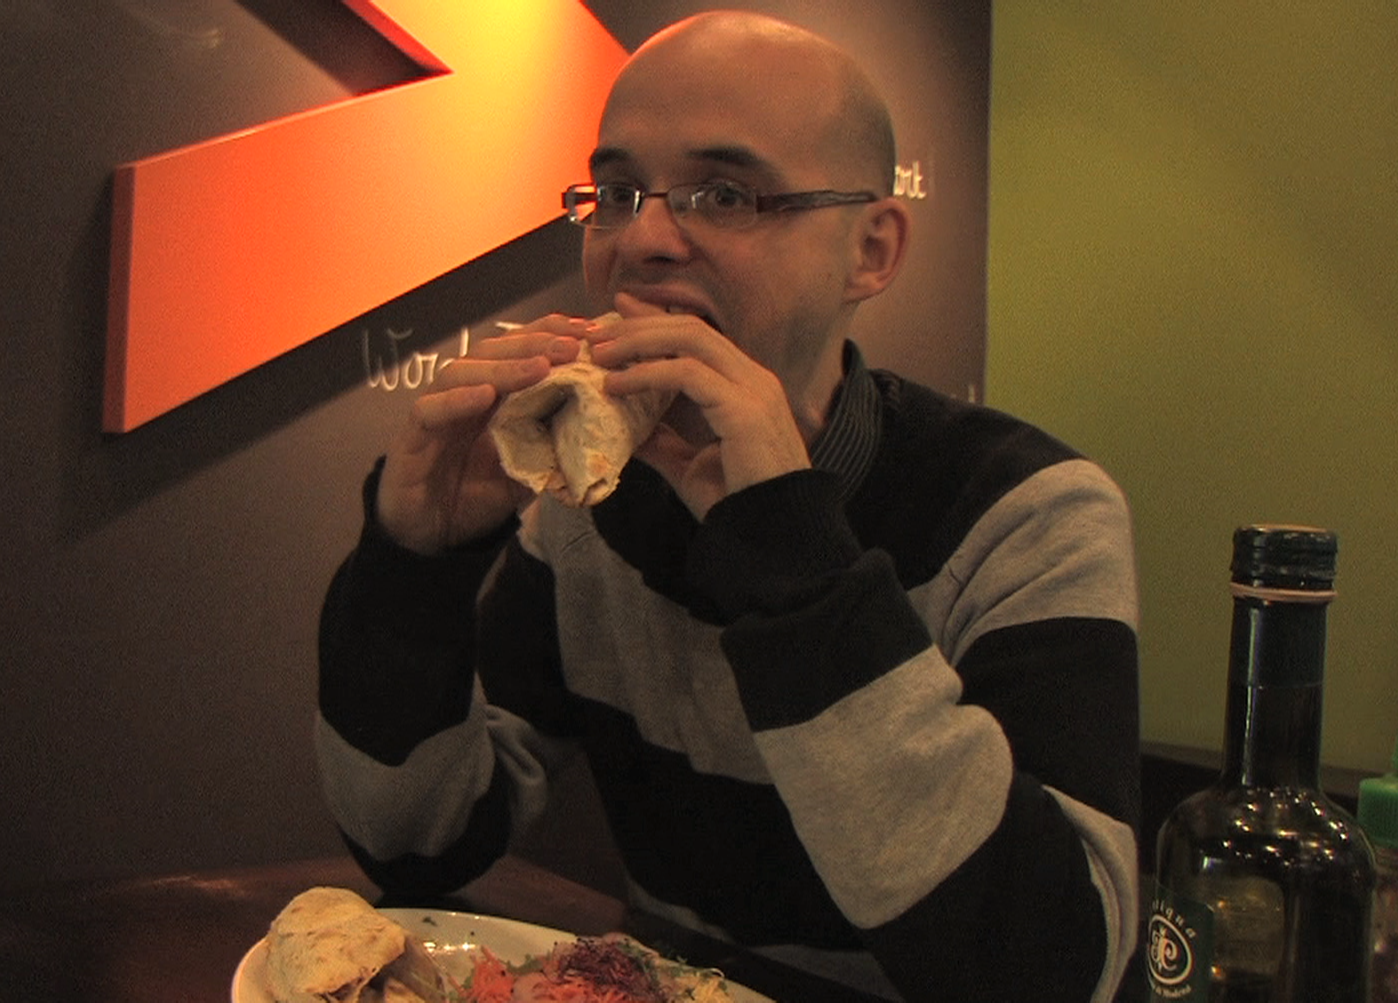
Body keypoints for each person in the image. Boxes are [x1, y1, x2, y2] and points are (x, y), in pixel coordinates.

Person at [315, 10, 1140, 1002]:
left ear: (870, 249)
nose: (642, 239)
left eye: (724, 194)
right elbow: (416, 846)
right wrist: (413, 570)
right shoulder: (588, 507)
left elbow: (1052, 971)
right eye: (617, 193)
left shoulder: (1028, 515)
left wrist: (787, 549)